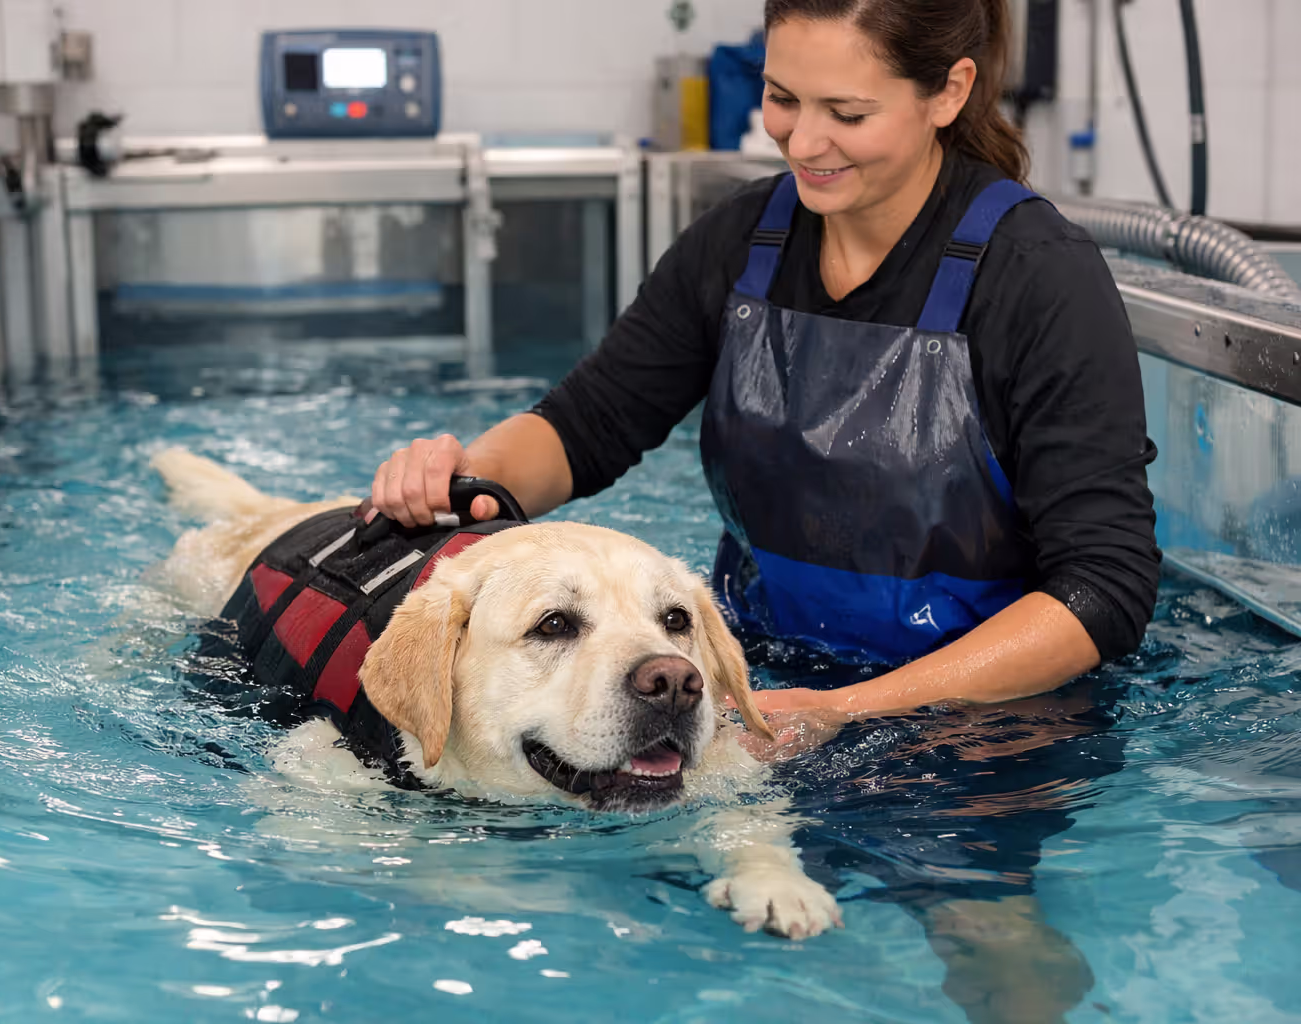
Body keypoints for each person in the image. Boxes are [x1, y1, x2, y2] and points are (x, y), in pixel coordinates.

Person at [370, 0, 1159, 1019]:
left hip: (979, 722)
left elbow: (1105, 587)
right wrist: (462, 478)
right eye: (783, 99)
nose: (803, 139)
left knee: (987, 937)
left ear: (948, 92)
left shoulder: (1037, 275)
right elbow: (593, 420)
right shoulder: (744, 239)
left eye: (847, 109)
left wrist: (849, 711)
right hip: (750, 686)